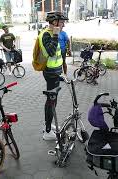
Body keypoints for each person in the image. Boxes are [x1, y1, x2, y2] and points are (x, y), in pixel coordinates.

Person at [39, 11, 67, 140]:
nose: (63, 25)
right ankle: (47, 131)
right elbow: (50, 52)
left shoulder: (52, 33)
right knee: (51, 101)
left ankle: (49, 125)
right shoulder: (46, 34)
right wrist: (56, 34)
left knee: (53, 101)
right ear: (54, 22)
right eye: (61, 22)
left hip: (55, 72)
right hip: (50, 73)